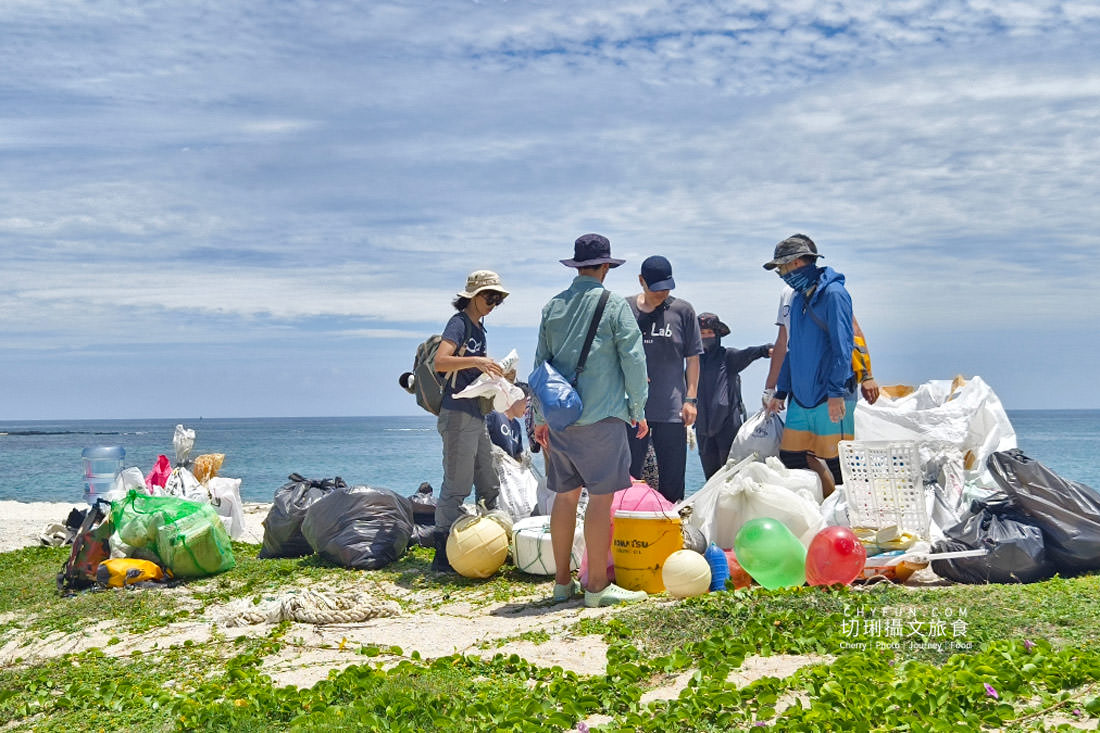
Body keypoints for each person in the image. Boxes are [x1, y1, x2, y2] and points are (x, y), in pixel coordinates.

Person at [532, 233, 649, 608]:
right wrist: (638, 409)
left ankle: (562, 583)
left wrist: (539, 417)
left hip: (561, 420)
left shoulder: (553, 307)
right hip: (603, 416)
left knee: (564, 499)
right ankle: (596, 586)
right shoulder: (614, 305)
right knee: (600, 500)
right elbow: (634, 360)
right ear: (604, 268)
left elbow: (540, 366)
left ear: (577, 266)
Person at [763, 234, 857, 493]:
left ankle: (846, 517)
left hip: (831, 394)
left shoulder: (835, 294)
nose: (781, 274)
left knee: (837, 462)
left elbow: (843, 346)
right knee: (792, 456)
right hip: (801, 396)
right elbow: (793, 348)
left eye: (782, 267)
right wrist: (781, 390)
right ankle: (824, 505)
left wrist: (836, 392)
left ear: (796, 263)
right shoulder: (796, 299)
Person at [430, 270, 509, 572]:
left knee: (487, 478)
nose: (493, 303)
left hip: (476, 412)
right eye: (490, 297)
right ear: (473, 296)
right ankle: (443, 553)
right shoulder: (459, 323)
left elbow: (471, 372)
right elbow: (441, 361)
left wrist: (498, 373)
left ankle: (491, 540)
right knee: (457, 483)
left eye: (498, 299)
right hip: (457, 412)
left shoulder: (479, 328)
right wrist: (478, 361)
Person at [626, 255, 703, 503]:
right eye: (656, 288)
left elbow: (692, 358)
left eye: (667, 287)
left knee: (672, 481)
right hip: (631, 409)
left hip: (672, 409)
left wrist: (691, 399)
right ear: (641, 281)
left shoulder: (682, 310)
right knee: (627, 477)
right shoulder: (624, 309)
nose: (662, 293)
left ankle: (672, 529)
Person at [695, 312, 772, 479]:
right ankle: (713, 504)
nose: (705, 337)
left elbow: (750, 352)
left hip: (727, 426)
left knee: (730, 474)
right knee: (710, 476)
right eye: (701, 334)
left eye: (709, 333)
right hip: (702, 427)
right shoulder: (694, 361)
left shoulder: (728, 357)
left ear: (717, 335)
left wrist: (767, 349)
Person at [486, 382, 530, 461]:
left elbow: (517, 455)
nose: (528, 409)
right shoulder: (493, 415)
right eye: (527, 403)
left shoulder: (517, 426)